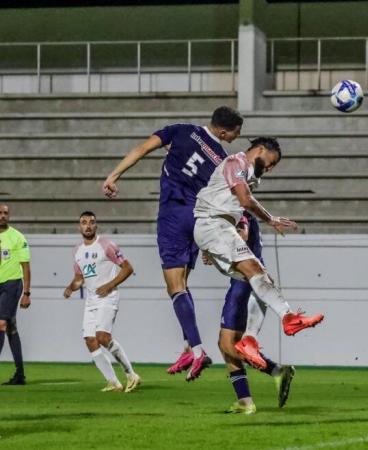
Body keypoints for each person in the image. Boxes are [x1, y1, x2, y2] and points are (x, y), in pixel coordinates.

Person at [102, 106, 244, 381]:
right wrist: (207, 239)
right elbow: (221, 202)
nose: (238, 136)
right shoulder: (223, 162)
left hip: (173, 214)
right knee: (184, 283)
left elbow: (142, 148)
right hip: (198, 218)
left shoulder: (180, 131)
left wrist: (114, 175)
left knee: (175, 286)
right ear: (224, 131)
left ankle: (198, 349)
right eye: (237, 132)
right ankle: (188, 346)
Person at [192, 137, 324, 412]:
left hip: (216, 230)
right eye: (272, 162)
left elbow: (242, 205)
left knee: (260, 281)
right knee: (256, 275)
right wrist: (271, 219)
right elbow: (244, 201)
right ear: (261, 150)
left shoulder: (248, 178)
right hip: (212, 226)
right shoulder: (236, 162)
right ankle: (287, 320)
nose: (271, 168)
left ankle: (254, 346)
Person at [214, 210, 295, 414]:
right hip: (251, 277)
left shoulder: (236, 208)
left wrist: (218, 248)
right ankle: (264, 383)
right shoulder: (237, 207)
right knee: (229, 344)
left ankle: (270, 377)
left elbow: (242, 234)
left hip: (246, 281)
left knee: (227, 344)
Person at [63, 211, 140, 392]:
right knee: (90, 340)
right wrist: (70, 287)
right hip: (91, 300)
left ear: (96, 225)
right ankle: (113, 382)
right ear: (79, 226)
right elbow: (79, 278)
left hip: (108, 296)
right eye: (84, 222)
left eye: (91, 222)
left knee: (102, 337)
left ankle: (131, 374)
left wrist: (109, 285)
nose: (88, 226)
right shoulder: (77, 251)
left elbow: (128, 268)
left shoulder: (107, 245)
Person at [0, 203, 31, 385]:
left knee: (1, 323)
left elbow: (25, 267)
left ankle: (20, 374)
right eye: (0, 213)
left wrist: (26, 292)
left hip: (11, 285)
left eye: (6, 213)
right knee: (11, 328)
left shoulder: (17, 237)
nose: (3, 216)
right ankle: (20, 374)